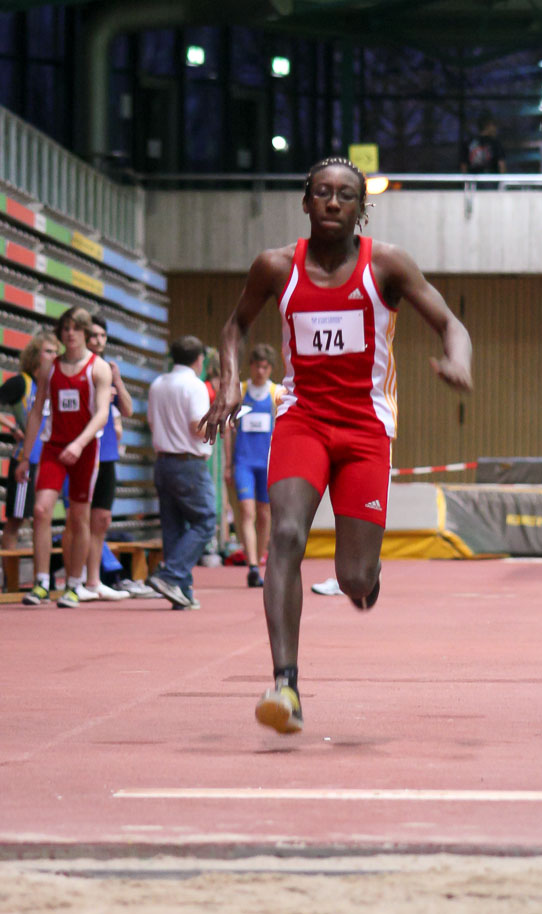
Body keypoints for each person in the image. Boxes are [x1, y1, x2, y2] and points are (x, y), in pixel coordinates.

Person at [200, 156, 473, 735]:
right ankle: (285, 684)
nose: (331, 201)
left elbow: (452, 323)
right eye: (320, 192)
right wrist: (228, 381)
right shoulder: (275, 267)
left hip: (366, 430)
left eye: (344, 195)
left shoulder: (389, 265)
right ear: (305, 203)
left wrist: (457, 360)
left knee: (352, 579)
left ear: (359, 208)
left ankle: (366, 578)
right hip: (302, 419)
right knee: (288, 535)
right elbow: (234, 327)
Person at [16, 307, 112, 608]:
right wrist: (24, 457)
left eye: (75, 327)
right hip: (54, 448)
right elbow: (35, 412)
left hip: (84, 450)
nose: (70, 333)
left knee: (78, 516)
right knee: (42, 511)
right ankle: (43, 582)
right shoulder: (50, 368)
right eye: (65, 327)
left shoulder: (98, 368)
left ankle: (74, 584)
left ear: (85, 331)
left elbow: (102, 414)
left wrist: (80, 443)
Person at [146, 335, 216, 610]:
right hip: (189, 462)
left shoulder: (157, 384)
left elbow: (152, 421)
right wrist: (220, 423)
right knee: (205, 521)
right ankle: (171, 574)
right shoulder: (195, 386)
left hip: (163, 460)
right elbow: (197, 427)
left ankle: (182, 590)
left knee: (173, 526)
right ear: (199, 359)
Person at [70, 316, 133, 601]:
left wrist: (117, 379)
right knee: (77, 518)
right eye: (93, 335)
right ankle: (74, 580)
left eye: (103, 336)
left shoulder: (107, 370)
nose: (98, 340)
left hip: (105, 453)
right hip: (78, 451)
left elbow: (128, 410)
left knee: (101, 518)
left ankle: (94, 581)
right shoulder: (75, 369)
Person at [0, 330, 60, 587]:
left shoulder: (50, 385)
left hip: (49, 460)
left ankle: (42, 578)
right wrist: (12, 428)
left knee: (42, 518)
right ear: (35, 355)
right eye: (48, 351)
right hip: (25, 459)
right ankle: (10, 581)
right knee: (16, 519)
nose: (53, 356)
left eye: (56, 352)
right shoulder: (21, 382)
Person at [224, 343, 284, 588]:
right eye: (257, 366)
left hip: (267, 463)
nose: (261, 371)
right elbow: (229, 430)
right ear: (251, 366)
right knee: (247, 512)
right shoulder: (240, 390)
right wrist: (228, 464)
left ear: (270, 368)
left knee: (264, 514)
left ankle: (259, 559)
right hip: (244, 462)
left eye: (265, 367)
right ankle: (251, 566)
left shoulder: (276, 392)